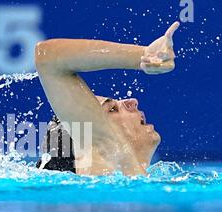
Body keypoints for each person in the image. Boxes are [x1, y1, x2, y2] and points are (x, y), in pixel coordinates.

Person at [35, 22, 180, 176]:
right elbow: (47, 58)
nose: (132, 101)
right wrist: (143, 55)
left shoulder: (135, 179)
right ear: (84, 154)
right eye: (112, 109)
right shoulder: (109, 166)